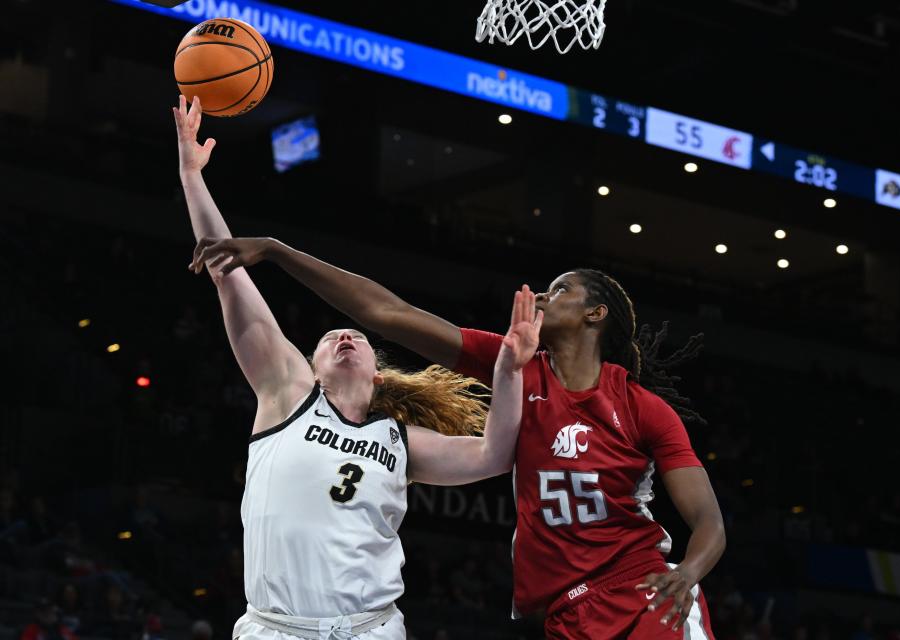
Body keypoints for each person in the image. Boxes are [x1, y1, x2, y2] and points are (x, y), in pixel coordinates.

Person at [191, 235, 727, 636]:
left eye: (560, 290)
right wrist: (281, 253)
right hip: (568, 608)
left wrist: (689, 572)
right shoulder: (512, 364)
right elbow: (386, 313)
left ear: (596, 313)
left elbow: (708, 522)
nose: (542, 294)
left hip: (643, 590)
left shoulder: (642, 409)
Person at [174, 95, 542, 640]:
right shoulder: (286, 395)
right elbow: (226, 270)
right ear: (312, 367)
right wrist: (190, 175)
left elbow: (495, 453)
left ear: (376, 372)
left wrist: (510, 369)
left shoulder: (399, 441)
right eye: (329, 338)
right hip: (276, 630)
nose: (345, 334)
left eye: (357, 337)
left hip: (370, 629)